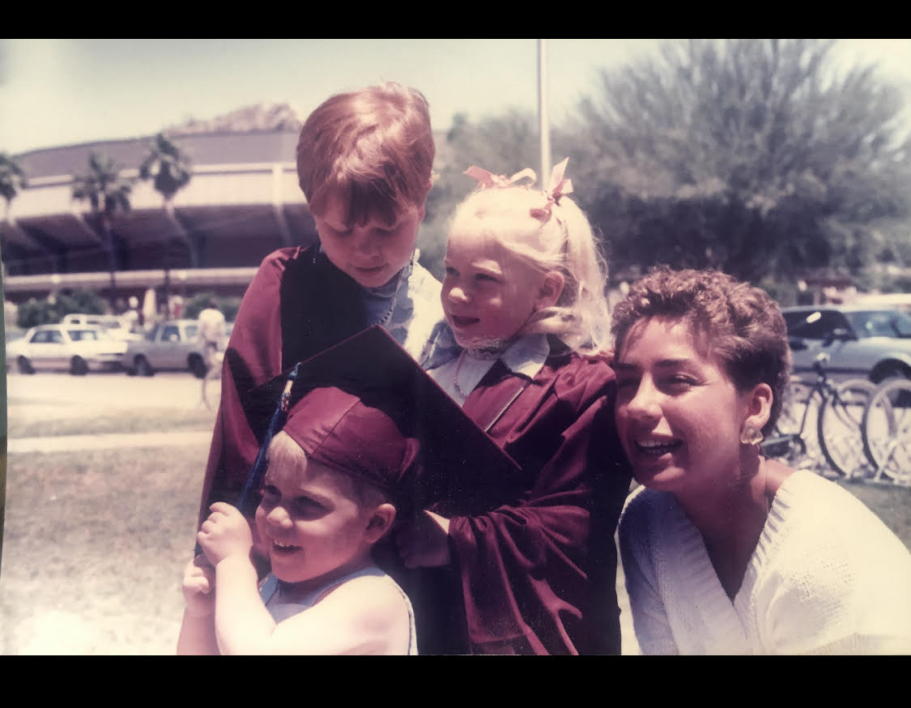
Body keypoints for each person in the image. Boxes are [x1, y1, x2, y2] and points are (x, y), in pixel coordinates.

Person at [613, 267, 911, 654]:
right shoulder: (646, 522)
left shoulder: (824, 557)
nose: (638, 405)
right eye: (626, 382)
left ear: (754, 407)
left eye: (677, 381)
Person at [400, 160, 632, 654]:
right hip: (427, 611)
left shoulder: (580, 387)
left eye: (484, 279)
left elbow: (571, 527)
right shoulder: (429, 364)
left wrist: (457, 538)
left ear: (546, 290)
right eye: (450, 271)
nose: (456, 293)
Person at [198, 83, 448, 523]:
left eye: (387, 229)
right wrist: (219, 557)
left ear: (424, 197)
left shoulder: (444, 312)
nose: (365, 250)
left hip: (393, 554)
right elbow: (239, 438)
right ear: (311, 208)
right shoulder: (283, 286)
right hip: (281, 544)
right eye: (340, 230)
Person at [178, 385, 418, 655]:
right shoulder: (271, 586)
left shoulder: (374, 599)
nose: (277, 516)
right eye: (271, 492)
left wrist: (233, 563)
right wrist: (200, 614)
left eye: (308, 503)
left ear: (375, 523)